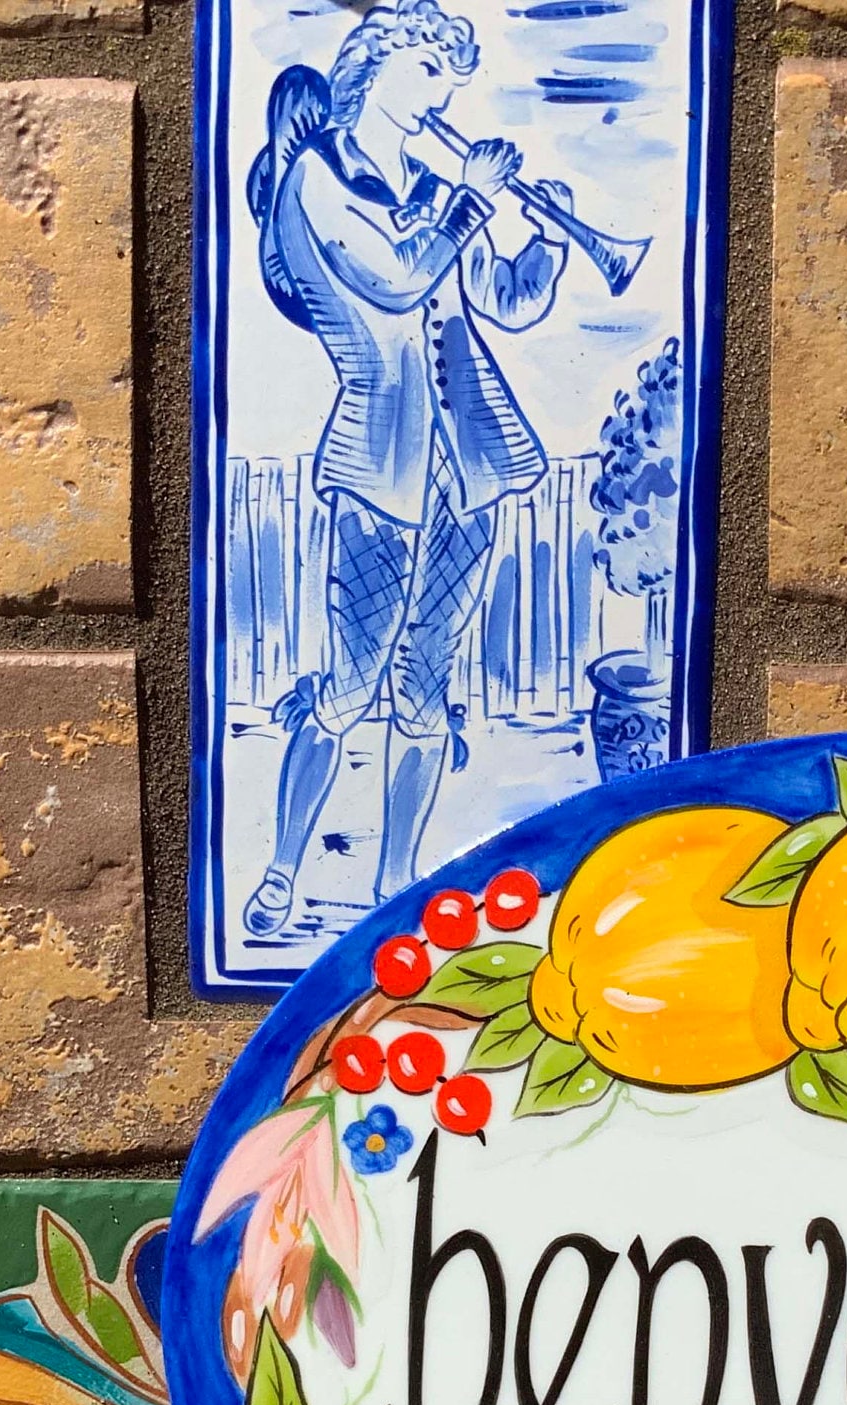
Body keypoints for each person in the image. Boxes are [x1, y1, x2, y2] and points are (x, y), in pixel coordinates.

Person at [243, 0, 568, 939]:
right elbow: (394, 277)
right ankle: (282, 873)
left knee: (426, 696)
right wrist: (468, 200)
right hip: (379, 464)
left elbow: (502, 300)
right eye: (428, 76)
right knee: (349, 686)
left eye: (448, 82)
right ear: (373, 70)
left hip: (468, 469)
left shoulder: (429, 182)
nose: (440, 99)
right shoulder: (316, 178)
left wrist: (551, 237)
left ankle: (396, 890)